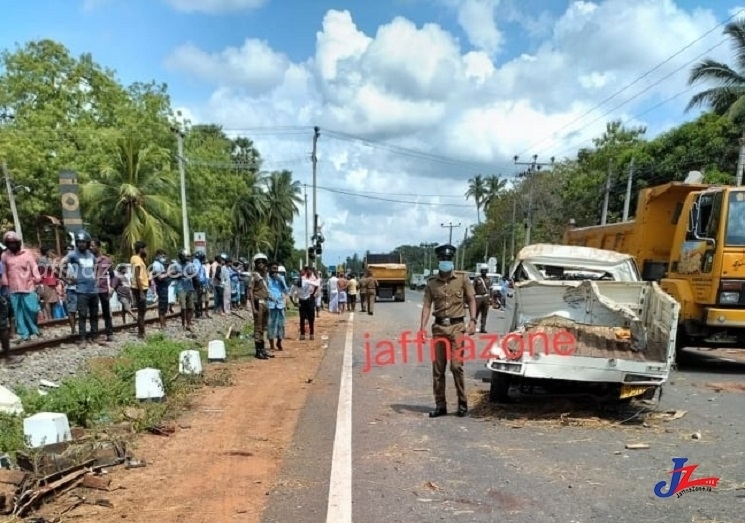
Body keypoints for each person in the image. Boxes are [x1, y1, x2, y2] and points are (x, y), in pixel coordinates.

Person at [419, 243, 477, 418]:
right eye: (443, 259)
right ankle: (440, 405)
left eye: (448, 259)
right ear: (438, 260)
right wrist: (422, 328)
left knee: (456, 366)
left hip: (457, 327)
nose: (445, 261)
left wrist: (473, 321)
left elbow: (472, 299)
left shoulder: (462, 279)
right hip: (438, 329)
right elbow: (427, 305)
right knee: (438, 369)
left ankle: (462, 403)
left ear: (452, 260)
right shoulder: (432, 283)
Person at [0, 232, 42, 343]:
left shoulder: (27, 253)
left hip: (28, 286)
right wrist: (6, 285)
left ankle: (33, 328)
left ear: (18, 243)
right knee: (18, 313)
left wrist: (37, 278)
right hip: (13, 289)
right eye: (9, 243)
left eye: (14, 243)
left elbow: (34, 266)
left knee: (32, 309)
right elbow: (4, 272)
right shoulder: (5, 256)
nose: (12, 245)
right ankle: (25, 334)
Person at [63, 231, 99, 345]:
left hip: (93, 289)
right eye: (79, 242)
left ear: (87, 243)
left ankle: (94, 336)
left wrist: (96, 279)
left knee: (94, 314)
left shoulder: (91, 255)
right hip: (81, 290)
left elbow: (96, 267)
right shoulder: (73, 254)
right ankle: (82, 338)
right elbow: (61, 263)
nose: (81, 244)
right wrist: (67, 278)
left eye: (84, 242)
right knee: (82, 315)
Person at [249, 252, 272, 360]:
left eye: (263, 262)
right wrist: (253, 307)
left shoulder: (265, 276)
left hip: (266, 303)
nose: (261, 264)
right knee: (258, 328)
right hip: (258, 303)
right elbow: (250, 291)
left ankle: (263, 349)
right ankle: (258, 351)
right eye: (259, 262)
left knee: (264, 327)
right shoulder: (254, 275)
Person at [91, 240, 114, 342]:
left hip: (104, 289)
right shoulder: (88, 260)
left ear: (98, 247)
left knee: (106, 313)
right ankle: (94, 334)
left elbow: (113, 276)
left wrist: (112, 288)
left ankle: (109, 333)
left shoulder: (106, 260)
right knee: (93, 313)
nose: (90, 248)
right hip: (92, 290)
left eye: (93, 246)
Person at [291, 266, 319, 340]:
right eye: (297, 284)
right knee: (302, 318)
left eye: (299, 283)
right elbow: (290, 295)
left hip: (309, 299)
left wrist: (312, 294)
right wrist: (294, 303)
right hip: (301, 301)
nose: (298, 285)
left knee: (311, 317)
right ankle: (302, 334)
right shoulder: (294, 286)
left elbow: (316, 285)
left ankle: (312, 334)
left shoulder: (306, 281)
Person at [267, 261, 289, 351]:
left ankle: (279, 341)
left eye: (276, 269)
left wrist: (281, 281)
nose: (275, 271)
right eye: (273, 269)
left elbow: (286, 290)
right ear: (269, 269)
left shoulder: (281, 278)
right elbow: (266, 290)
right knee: (270, 324)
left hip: (280, 304)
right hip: (271, 304)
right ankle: (271, 344)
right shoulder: (266, 278)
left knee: (281, 325)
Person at [130, 241, 149, 339]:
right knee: (141, 311)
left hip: (143, 287)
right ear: (140, 249)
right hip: (139, 288)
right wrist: (141, 292)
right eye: (144, 248)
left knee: (143, 310)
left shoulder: (140, 259)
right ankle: (141, 333)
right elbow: (137, 276)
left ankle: (142, 332)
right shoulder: (135, 258)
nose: (146, 250)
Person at [174, 249, 197, 331]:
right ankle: (183, 323)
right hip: (181, 288)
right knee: (183, 307)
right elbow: (173, 275)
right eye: (185, 257)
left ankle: (189, 323)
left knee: (190, 307)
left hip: (189, 288)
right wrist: (180, 275)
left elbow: (194, 275)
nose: (186, 258)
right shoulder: (176, 265)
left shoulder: (190, 264)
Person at [151, 250, 170, 329]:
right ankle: (162, 325)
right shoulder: (157, 265)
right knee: (162, 306)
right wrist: (168, 273)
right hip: (161, 288)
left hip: (164, 288)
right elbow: (160, 277)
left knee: (164, 306)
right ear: (158, 255)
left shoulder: (160, 264)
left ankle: (164, 324)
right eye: (162, 256)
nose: (164, 258)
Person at [473, 266, 491, 334]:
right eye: (483, 270)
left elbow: (490, 289)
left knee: (484, 314)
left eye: (485, 270)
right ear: (481, 271)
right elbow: (473, 289)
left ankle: (482, 328)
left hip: (486, 297)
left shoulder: (489, 279)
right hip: (478, 298)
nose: (484, 271)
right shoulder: (477, 279)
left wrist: (490, 298)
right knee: (475, 314)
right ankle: (473, 327)